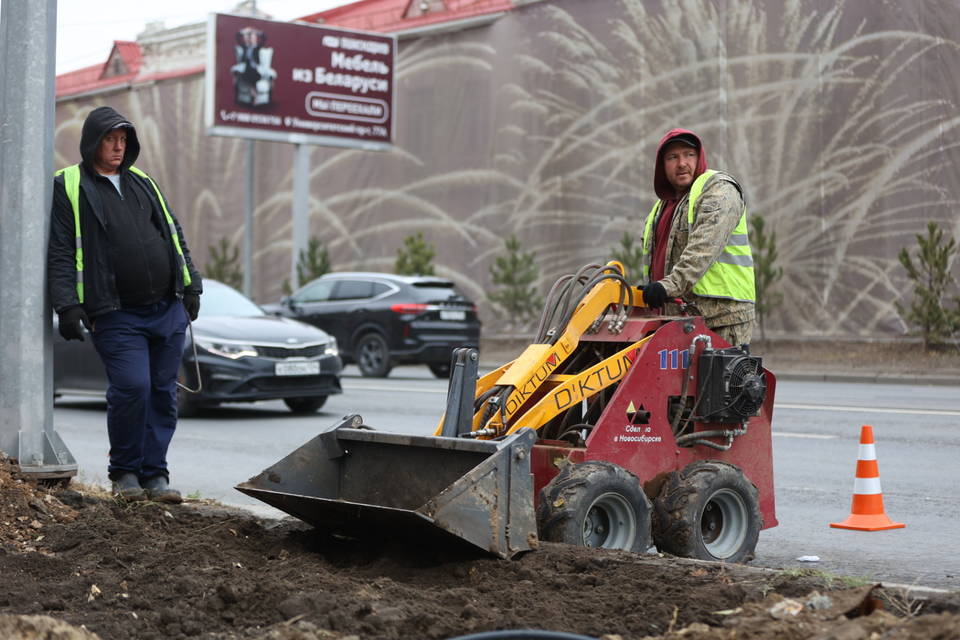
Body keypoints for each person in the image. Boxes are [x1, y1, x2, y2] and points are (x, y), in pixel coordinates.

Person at [47, 106, 202, 503]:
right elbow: (60, 250)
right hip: (115, 312)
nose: (117, 148)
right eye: (110, 140)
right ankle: (125, 473)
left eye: (123, 141)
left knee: (163, 392)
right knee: (132, 387)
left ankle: (155, 475)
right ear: (92, 142)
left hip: (165, 308)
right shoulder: (68, 185)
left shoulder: (142, 181)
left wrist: (191, 285)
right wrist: (66, 305)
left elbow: (172, 232)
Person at [640, 129, 755, 347]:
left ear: (699, 157)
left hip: (721, 321)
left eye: (688, 154)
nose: (682, 163)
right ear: (662, 166)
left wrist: (666, 287)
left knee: (715, 381)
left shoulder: (719, 190)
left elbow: (703, 248)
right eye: (672, 157)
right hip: (679, 322)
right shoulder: (661, 209)